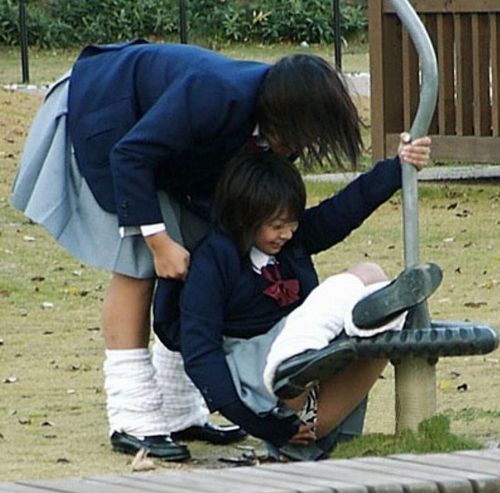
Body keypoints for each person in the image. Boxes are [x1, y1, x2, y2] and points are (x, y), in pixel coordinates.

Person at [10, 40, 374, 460]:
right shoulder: (215, 95)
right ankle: (133, 417)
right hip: (102, 115)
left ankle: (181, 411)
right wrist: (159, 241)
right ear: (284, 116)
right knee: (138, 264)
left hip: (160, 148)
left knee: (203, 254)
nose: (295, 152)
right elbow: (131, 154)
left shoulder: (263, 114)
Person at [154, 135, 436, 461]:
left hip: (308, 398)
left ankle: (379, 319)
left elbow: (344, 208)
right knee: (365, 285)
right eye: (276, 226)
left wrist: (398, 167)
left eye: (292, 224)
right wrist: (261, 425)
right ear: (245, 217)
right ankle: (309, 352)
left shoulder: (292, 243)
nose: (287, 234)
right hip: (264, 384)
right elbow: (201, 354)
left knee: (377, 300)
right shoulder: (215, 259)